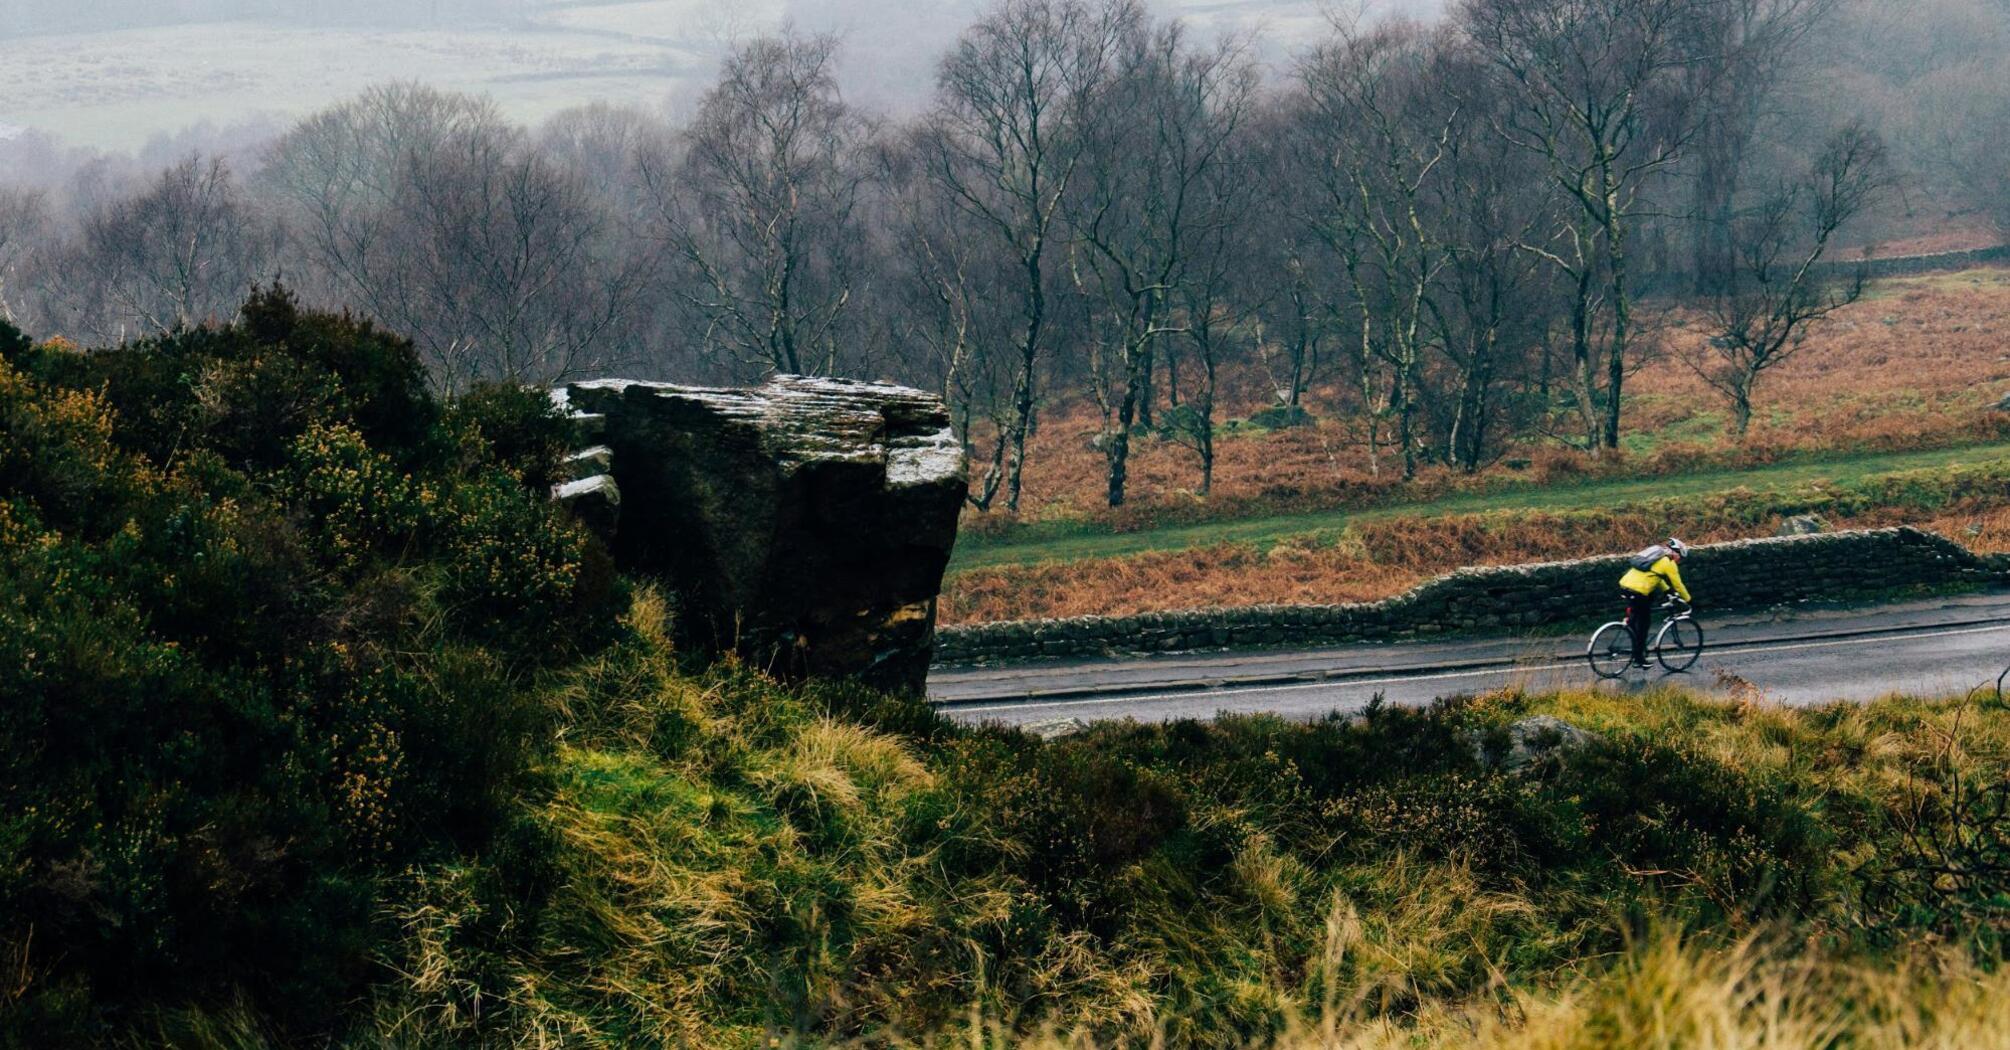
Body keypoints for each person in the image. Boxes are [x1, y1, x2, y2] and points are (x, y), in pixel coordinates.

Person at [1618, 538, 1692, 668]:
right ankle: (1638, 659)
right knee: (1644, 624)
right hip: (1638, 591)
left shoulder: (1657, 557)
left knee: (1638, 614)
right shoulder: (1669, 562)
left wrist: (1667, 591)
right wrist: (1688, 600)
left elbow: (1656, 577)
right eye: (1680, 557)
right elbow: (1678, 585)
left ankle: (1630, 628)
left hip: (1625, 585)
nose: (1679, 561)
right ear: (1676, 552)